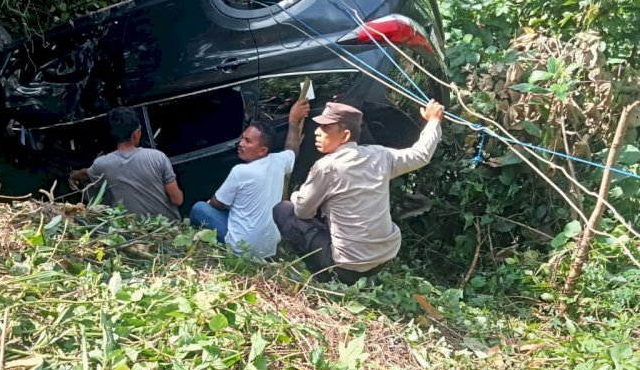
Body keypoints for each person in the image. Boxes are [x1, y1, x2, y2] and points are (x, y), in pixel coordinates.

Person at [273, 99, 444, 283]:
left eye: (325, 129)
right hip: (383, 257)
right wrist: (433, 122)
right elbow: (420, 155)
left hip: (346, 265)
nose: (316, 132)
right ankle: (365, 276)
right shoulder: (380, 155)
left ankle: (325, 276)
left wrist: (296, 195)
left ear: (345, 136)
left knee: (283, 210)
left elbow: (302, 211)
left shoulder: (326, 168)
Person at [190, 98, 310, 258]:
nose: (240, 143)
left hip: (243, 249)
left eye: (248, 141)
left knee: (199, 208)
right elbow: (292, 150)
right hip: (269, 247)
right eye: (242, 138)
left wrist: (213, 204)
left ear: (262, 150)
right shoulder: (278, 161)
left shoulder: (240, 172)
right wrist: (293, 120)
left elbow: (217, 203)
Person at [69, 107, 183, 221]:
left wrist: (73, 176)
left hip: (133, 231)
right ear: (135, 134)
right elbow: (177, 200)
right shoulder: (157, 157)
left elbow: (85, 173)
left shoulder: (102, 164)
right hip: (170, 227)